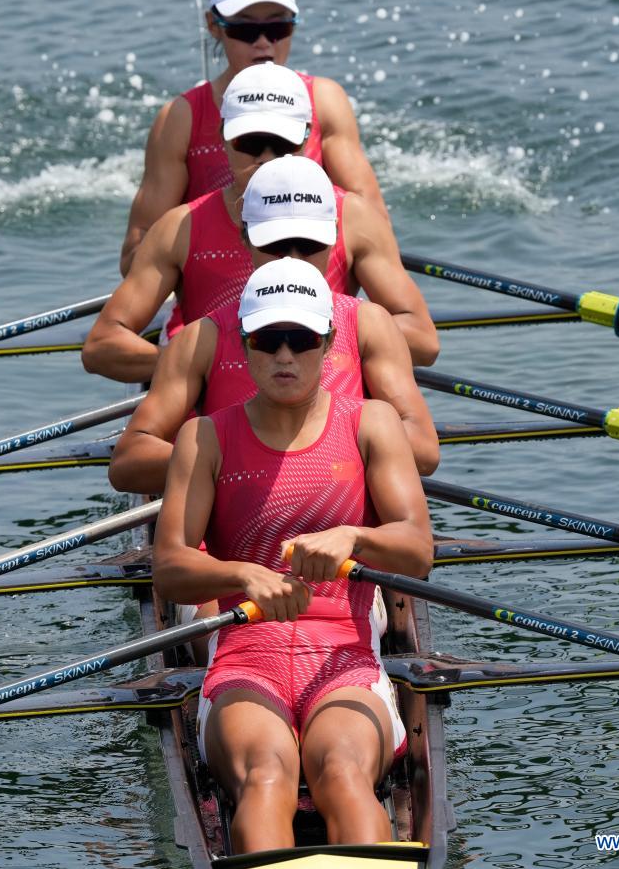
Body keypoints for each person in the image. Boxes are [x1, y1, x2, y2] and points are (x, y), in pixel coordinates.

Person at [152, 258, 433, 852]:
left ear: (329, 344)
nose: (285, 355)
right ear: (244, 346)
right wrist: (241, 575)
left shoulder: (372, 423)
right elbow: (170, 568)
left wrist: (354, 538)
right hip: (244, 657)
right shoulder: (203, 438)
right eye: (268, 339)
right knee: (266, 776)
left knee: (344, 773)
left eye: (301, 339)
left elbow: (417, 551)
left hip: (345, 656)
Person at [82, 73, 438, 384]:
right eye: (251, 143)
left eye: (282, 145)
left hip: (326, 409)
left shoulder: (355, 217)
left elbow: (423, 341)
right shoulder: (179, 227)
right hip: (220, 421)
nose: (266, 158)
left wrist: (310, 343)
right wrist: (199, 361)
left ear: (306, 139)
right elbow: (102, 346)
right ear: (223, 136)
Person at [109, 182, 440, 493]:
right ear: (245, 237)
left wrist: (308, 456)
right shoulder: (202, 337)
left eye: (308, 245)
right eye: (265, 342)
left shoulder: (369, 323)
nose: (292, 259)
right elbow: (128, 463)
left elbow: (424, 452)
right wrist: (216, 458)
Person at [120, 0, 387, 275]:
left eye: (278, 27)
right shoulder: (181, 118)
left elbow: (376, 228)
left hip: (313, 294)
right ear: (213, 25)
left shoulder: (325, 101)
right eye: (245, 30)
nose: (263, 42)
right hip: (214, 292)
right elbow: (134, 255)